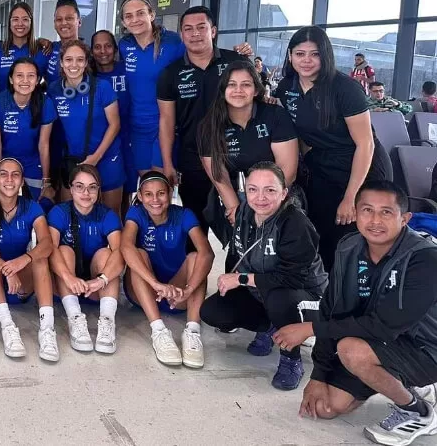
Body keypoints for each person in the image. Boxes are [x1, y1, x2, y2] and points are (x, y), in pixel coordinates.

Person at [287, 181, 437, 446]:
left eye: (386, 212)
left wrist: (311, 329)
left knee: (351, 351)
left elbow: (384, 326)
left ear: (405, 219)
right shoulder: (348, 248)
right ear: (355, 213)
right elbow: (329, 309)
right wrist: (318, 374)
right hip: (374, 342)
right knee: (325, 407)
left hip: (425, 349)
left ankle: (417, 411)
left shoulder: (424, 258)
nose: (375, 220)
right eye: (367, 210)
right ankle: (393, 379)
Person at [201, 163, 328, 391]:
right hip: (263, 289)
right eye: (253, 189)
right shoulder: (244, 213)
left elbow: (292, 279)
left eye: (270, 190)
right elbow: (237, 252)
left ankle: (291, 359)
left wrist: (241, 280)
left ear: (284, 193)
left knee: (279, 298)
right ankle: (271, 327)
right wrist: (230, 279)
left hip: (306, 296)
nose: (260, 198)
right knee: (213, 311)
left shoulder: (295, 223)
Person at [273, 26, 390, 269]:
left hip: (361, 165)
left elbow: (365, 143)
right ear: (290, 55)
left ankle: (359, 298)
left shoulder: (344, 88)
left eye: (314, 54)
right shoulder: (286, 87)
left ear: (325, 55)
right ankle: (324, 296)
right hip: (322, 164)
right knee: (320, 232)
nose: (306, 61)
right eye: (299, 53)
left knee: (353, 234)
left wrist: (351, 197)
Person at [157, 6, 252, 228]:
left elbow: (258, 102)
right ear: (181, 35)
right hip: (193, 158)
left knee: (243, 225)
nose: (195, 34)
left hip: (237, 155)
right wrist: (168, 163)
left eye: (202, 27)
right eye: (188, 29)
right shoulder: (170, 74)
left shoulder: (236, 63)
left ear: (214, 31)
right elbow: (166, 121)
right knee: (194, 229)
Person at [198, 60, 298, 240]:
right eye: (231, 85)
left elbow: (287, 170)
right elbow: (218, 174)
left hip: (278, 196)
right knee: (240, 255)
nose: (238, 90)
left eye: (246, 85)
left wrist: (264, 205)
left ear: (257, 90)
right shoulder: (209, 125)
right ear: (223, 90)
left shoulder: (274, 115)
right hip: (236, 195)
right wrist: (237, 210)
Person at [122, 171, 213, 369]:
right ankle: (159, 330)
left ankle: (192, 331)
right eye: (148, 194)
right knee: (138, 253)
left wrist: (188, 290)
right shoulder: (136, 213)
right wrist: (155, 284)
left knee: (197, 259)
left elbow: (207, 253)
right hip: (144, 290)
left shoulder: (183, 214)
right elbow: (126, 247)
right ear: (139, 196)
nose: (155, 200)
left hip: (177, 294)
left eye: (161, 193)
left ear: (170, 192)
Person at [0, 158, 59, 361]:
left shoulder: (31, 207)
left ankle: (47, 329)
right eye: (3, 174)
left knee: (39, 257)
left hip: (20, 285)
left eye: (15, 175)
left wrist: (24, 260)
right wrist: (4, 267)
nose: (9, 179)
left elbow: (46, 243)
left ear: (22, 181)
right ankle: (8, 326)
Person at [47, 164, 124, 354]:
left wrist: (101, 280)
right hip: (65, 285)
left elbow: (121, 253)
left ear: (98, 190)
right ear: (71, 189)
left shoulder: (107, 215)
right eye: (79, 186)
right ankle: (75, 317)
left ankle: (107, 321)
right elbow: (49, 249)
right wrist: (68, 278)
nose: (86, 193)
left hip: (95, 288)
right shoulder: (59, 212)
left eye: (92, 187)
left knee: (107, 253)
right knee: (63, 250)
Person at [46, 40, 124, 210]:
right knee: (71, 214)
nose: (74, 65)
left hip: (107, 159)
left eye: (80, 60)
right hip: (74, 161)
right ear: (61, 62)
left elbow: (115, 124)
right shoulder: (54, 90)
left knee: (111, 214)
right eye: (68, 59)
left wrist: (96, 157)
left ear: (87, 62)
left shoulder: (102, 87)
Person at [118, 0, 185, 176]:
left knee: (161, 183)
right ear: (123, 22)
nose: (135, 20)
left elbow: (200, 60)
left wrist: (236, 54)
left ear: (152, 15)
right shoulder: (124, 45)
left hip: (165, 125)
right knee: (147, 184)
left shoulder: (173, 42)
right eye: (129, 16)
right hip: (137, 127)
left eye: (140, 13)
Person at [0, 58, 57, 203]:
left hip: (33, 161)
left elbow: (43, 144)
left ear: (38, 80)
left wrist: (46, 180)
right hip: (5, 160)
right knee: (4, 204)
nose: (25, 80)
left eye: (31, 76)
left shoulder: (46, 103)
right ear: (11, 79)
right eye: (19, 75)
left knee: (41, 204)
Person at [92, 29, 133, 193]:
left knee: (126, 190)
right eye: (97, 47)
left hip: (127, 138)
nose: (103, 51)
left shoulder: (127, 70)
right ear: (91, 51)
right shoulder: (89, 76)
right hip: (101, 141)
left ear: (115, 49)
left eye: (108, 46)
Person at [0, 2, 49, 92]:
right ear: (9, 23)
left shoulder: (42, 51)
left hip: (33, 105)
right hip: (2, 105)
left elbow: (50, 84)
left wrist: (36, 91)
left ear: (31, 23)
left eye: (25, 19)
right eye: (15, 19)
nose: (20, 24)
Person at [44, 0, 83, 84]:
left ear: (79, 22)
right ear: (54, 24)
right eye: (59, 19)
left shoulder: (89, 53)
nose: (64, 23)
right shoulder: (48, 50)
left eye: (69, 18)